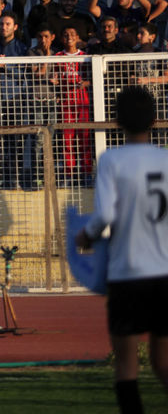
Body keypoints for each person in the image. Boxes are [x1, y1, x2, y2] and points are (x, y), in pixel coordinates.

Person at [76, 84, 168, 414]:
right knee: (163, 363)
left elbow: (105, 214)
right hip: (165, 273)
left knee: (127, 366)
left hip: (128, 271)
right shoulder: (165, 159)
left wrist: (85, 235)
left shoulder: (112, 159)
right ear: (155, 121)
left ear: (117, 121)